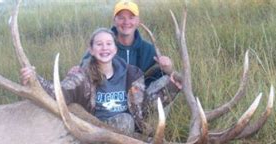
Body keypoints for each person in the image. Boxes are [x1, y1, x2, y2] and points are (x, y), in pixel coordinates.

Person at [20, 28, 178, 135]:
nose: (104, 48)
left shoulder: (132, 74)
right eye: (99, 44)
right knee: (126, 121)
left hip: (128, 135)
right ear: (91, 50)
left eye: (109, 44)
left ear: (115, 49)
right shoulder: (82, 77)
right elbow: (58, 92)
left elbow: (145, 105)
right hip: (96, 134)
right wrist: (35, 79)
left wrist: (171, 88)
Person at [71, 0, 181, 90]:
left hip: (137, 100)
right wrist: (78, 71)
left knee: (169, 80)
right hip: (107, 100)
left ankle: (153, 115)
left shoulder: (148, 49)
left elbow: (163, 75)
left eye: (131, 17)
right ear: (114, 20)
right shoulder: (102, 46)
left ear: (138, 21)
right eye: (121, 17)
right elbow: (84, 66)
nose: (126, 22)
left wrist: (168, 68)